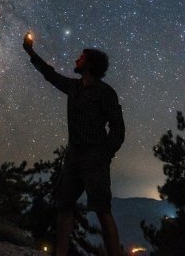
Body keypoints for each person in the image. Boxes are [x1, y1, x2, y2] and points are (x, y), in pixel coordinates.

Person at [23, 33, 124, 256]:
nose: (76, 60)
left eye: (81, 57)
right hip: (73, 156)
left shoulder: (105, 93)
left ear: (90, 64)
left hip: (94, 157)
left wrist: (104, 155)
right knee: (63, 205)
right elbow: (49, 75)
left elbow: (118, 130)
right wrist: (30, 52)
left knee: (102, 210)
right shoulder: (74, 87)